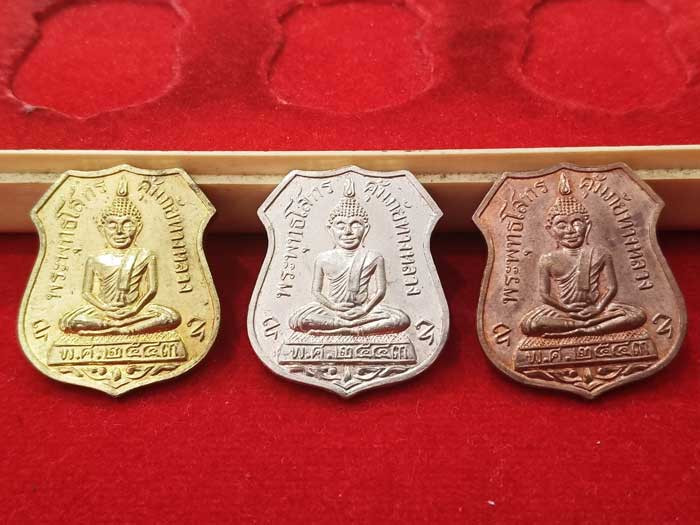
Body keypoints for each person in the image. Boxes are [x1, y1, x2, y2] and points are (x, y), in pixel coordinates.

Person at [520, 174, 645, 337]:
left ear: (588, 226)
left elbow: (611, 287)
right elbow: (544, 294)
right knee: (531, 324)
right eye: (561, 225)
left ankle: (584, 328)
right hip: (563, 311)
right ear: (551, 230)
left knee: (637, 315)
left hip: (597, 309)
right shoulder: (548, 259)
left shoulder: (600, 253)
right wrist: (566, 308)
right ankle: (588, 327)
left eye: (577, 223)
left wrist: (598, 308)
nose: (570, 230)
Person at [289, 179, 410, 336]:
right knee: (298, 320)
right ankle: (348, 326)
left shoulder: (374, 257)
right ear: (330, 229)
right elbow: (316, 291)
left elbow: (380, 291)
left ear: (366, 229)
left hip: (364, 310)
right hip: (333, 310)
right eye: (340, 225)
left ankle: (350, 329)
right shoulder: (323, 258)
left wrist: (364, 309)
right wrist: (334, 307)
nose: (347, 231)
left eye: (355, 225)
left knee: (401, 319)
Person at [60, 178, 180, 335]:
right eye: (112, 225)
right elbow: (86, 293)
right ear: (102, 228)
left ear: (138, 227)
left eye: (127, 224)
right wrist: (105, 308)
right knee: (68, 321)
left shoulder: (145, 255)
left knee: (171, 317)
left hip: (136, 310)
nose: (119, 231)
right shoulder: (95, 259)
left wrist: (134, 309)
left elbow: (151, 289)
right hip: (104, 311)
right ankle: (118, 327)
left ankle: (119, 328)